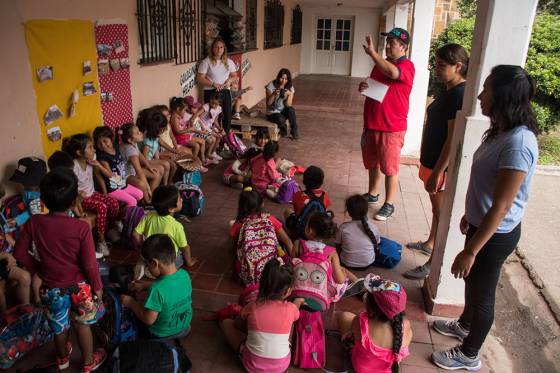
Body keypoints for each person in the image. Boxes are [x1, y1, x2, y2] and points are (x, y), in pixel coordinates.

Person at [431, 65, 539, 371]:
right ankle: (465, 324)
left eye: (487, 89)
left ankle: (469, 353)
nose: (479, 95)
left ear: (503, 97)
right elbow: (489, 187)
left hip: (496, 234)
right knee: (472, 283)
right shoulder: (502, 131)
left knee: (482, 294)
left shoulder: (518, 144)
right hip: (482, 224)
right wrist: (470, 214)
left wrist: (470, 250)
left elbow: (502, 206)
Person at [14, 168, 106, 372]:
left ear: (44, 201)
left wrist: (39, 268)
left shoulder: (34, 222)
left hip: (50, 287)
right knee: (83, 324)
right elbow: (90, 264)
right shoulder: (81, 227)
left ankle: (63, 359)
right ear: (74, 202)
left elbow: (19, 253)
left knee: (59, 325)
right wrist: (97, 287)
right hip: (79, 287)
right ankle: (88, 362)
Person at [405, 44, 469, 280]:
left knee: (442, 215)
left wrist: (438, 172)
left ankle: (433, 263)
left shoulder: (459, 95)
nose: (437, 69)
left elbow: (452, 140)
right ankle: (430, 243)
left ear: (458, 66)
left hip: (439, 168)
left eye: (442, 65)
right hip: (431, 164)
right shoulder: (450, 90)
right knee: (436, 210)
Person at [359, 28, 415, 221]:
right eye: (388, 41)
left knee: (390, 168)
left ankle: (389, 204)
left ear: (404, 47)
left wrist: (373, 54)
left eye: (392, 42)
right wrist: (364, 86)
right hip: (372, 123)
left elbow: (393, 73)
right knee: (372, 163)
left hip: (391, 127)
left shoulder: (407, 66)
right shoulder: (380, 64)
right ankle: (373, 193)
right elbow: (375, 83)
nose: (388, 45)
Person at [220, 258, 304, 373]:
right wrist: (298, 302)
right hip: (281, 366)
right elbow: (296, 309)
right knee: (292, 321)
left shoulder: (252, 306)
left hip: (252, 365)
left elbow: (237, 323)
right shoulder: (291, 308)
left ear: (262, 284)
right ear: (287, 291)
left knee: (226, 323)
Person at [121, 234, 193, 339]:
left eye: (147, 264)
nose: (147, 268)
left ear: (154, 263)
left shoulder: (156, 290)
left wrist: (131, 303)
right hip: (184, 328)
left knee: (134, 319)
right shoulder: (184, 275)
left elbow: (148, 320)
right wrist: (147, 285)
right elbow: (170, 287)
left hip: (162, 334)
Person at [337, 274, 412, 373]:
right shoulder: (405, 325)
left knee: (344, 316)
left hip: (360, 368)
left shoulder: (361, 321)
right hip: (388, 369)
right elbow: (406, 340)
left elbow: (353, 334)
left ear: (371, 308)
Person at [65, 134, 120, 256]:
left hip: (93, 193)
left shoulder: (92, 158)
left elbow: (107, 176)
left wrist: (97, 165)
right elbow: (73, 192)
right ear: (79, 152)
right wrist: (79, 211)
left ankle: (110, 229)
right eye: (90, 147)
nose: (94, 150)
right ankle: (101, 241)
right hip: (82, 200)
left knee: (114, 203)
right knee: (102, 207)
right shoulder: (74, 167)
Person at [289, 212, 362, 302]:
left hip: (298, 286)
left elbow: (293, 264)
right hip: (320, 292)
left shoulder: (298, 244)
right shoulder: (331, 252)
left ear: (309, 230)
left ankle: (359, 284)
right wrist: (343, 275)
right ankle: (359, 284)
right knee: (342, 270)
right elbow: (339, 280)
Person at [133, 185, 198, 268]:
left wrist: (143, 247)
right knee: (180, 256)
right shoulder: (176, 226)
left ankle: (147, 264)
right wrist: (189, 262)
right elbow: (185, 247)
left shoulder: (148, 216)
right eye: (179, 199)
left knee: (149, 257)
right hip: (167, 260)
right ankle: (156, 270)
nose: (181, 199)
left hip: (151, 254)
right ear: (171, 209)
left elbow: (135, 233)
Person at [230, 188, 293, 266]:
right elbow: (287, 240)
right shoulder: (269, 219)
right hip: (272, 268)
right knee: (280, 223)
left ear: (241, 206)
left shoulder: (239, 223)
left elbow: (236, 245)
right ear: (262, 204)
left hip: (249, 271)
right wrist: (294, 261)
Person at [93, 126, 144, 207]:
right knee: (132, 201)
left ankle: (127, 211)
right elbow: (109, 175)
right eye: (99, 143)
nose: (102, 145)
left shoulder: (116, 149)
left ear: (111, 140)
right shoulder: (102, 158)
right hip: (113, 189)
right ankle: (126, 218)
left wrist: (118, 132)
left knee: (140, 194)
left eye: (105, 141)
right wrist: (99, 165)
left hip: (122, 184)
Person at [0, 186, 31, 317]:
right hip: (3, 257)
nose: (2, 203)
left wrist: (19, 250)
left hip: (5, 257)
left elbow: (5, 236)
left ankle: (26, 312)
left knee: (25, 277)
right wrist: (6, 256)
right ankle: (4, 320)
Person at [196, 38, 238, 133]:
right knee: (213, 117)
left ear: (224, 49)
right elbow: (200, 78)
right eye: (216, 47)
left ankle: (226, 138)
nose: (219, 49)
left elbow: (235, 76)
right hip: (211, 92)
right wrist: (213, 84)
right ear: (212, 49)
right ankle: (216, 139)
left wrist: (229, 81)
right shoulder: (206, 62)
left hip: (225, 91)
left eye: (221, 47)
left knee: (227, 116)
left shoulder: (229, 62)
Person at [120, 123, 164, 203]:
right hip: (126, 175)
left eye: (139, 131)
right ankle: (147, 201)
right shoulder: (130, 151)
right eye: (137, 133)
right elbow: (139, 171)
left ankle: (151, 197)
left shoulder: (133, 143)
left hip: (133, 171)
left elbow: (140, 155)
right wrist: (147, 187)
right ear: (130, 139)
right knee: (142, 184)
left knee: (156, 174)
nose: (140, 133)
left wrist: (149, 166)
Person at [336, 194, 381, 270]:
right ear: (366, 211)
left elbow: (338, 245)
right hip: (368, 264)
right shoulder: (373, 227)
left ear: (349, 213)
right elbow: (377, 243)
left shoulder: (343, 227)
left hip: (346, 263)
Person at [169, 96, 210, 170]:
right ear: (178, 109)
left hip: (185, 136)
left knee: (202, 141)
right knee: (196, 146)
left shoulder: (178, 116)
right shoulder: (174, 118)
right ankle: (193, 164)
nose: (185, 112)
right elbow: (178, 132)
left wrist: (190, 128)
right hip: (180, 138)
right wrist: (189, 129)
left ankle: (199, 161)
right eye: (184, 110)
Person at [8, 157, 47, 229]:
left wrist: (17, 220)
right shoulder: (29, 190)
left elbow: (34, 214)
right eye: (22, 181)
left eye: (26, 183)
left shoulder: (40, 197)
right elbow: (30, 210)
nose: (23, 185)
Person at [141, 110, 178, 185]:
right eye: (162, 129)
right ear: (156, 128)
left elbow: (162, 143)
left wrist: (174, 151)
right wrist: (158, 160)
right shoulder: (147, 141)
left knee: (167, 164)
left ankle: (166, 184)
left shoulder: (155, 135)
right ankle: (164, 185)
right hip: (146, 161)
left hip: (152, 158)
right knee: (166, 164)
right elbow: (145, 159)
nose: (164, 130)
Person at [265, 68, 299, 139]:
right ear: (278, 77)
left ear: (288, 79)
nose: (283, 81)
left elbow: (288, 105)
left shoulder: (290, 87)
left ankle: (294, 132)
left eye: (286, 79)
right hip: (272, 112)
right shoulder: (271, 86)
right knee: (280, 119)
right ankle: (284, 130)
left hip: (282, 110)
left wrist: (289, 94)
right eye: (282, 78)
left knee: (291, 110)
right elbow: (268, 104)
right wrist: (274, 94)